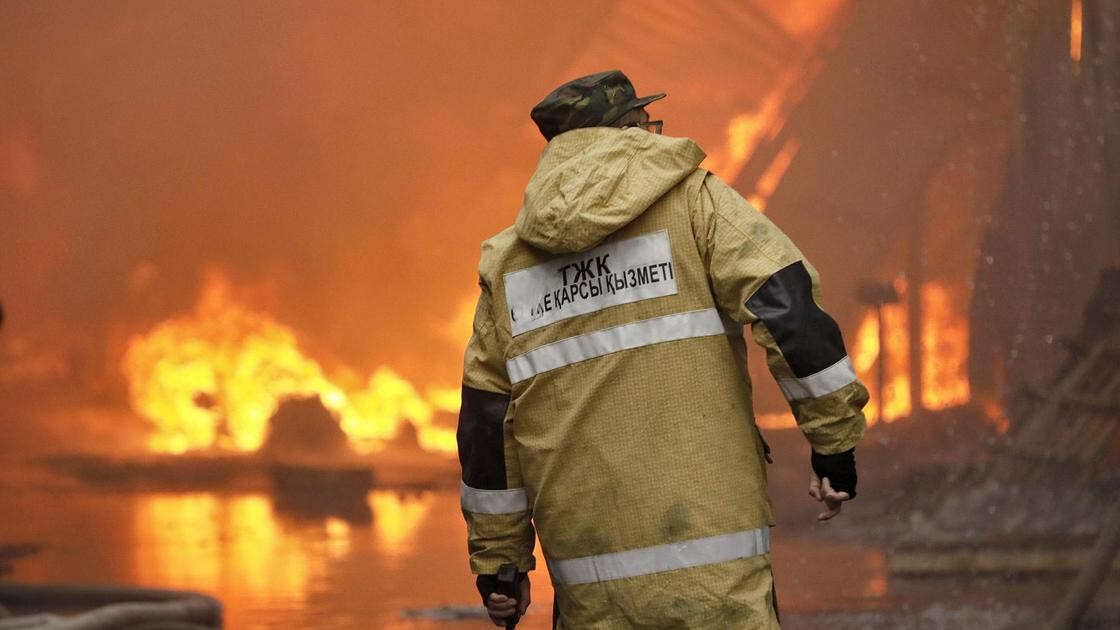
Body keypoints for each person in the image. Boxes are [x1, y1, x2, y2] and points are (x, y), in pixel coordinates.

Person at [456, 69, 868, 629]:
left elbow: (486, 425)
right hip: (714, 578)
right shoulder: (697, 206)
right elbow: (788, 309)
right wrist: (833, 444)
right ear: (629, 128)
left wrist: (500, 565)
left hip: (591, 592)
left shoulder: (507, 265)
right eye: (647, 121)